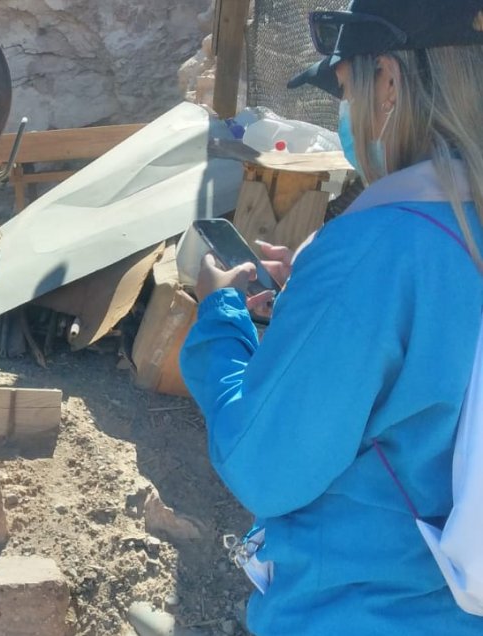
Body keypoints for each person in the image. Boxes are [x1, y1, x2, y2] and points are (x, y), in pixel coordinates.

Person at [179, 0, 483, 633]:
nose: (344, 114)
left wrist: (218, 318)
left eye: (346, 88)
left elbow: (266, 465)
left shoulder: (372, 250)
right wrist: (319, 303)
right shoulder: (450, 230)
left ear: (391, 83)